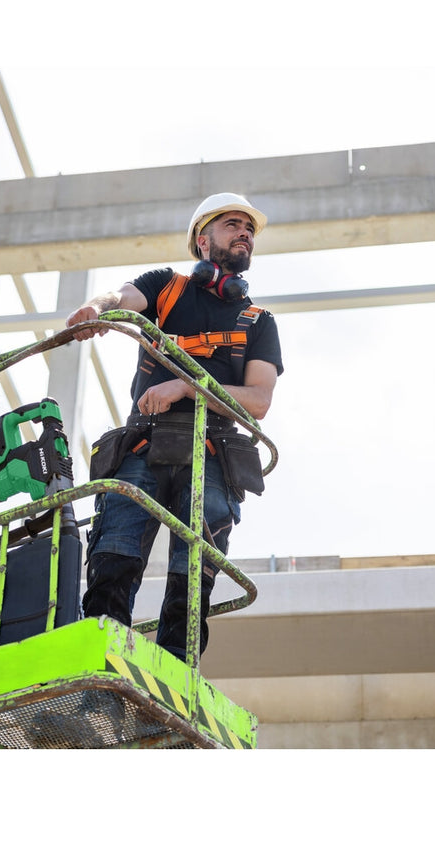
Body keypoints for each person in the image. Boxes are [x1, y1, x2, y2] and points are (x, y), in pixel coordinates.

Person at [66, 192, 284, 662]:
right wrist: (96, 308)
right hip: (143, 446)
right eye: (232, 225)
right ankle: (100, 672)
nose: (245, 233)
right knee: (111, 564)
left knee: (190, 588)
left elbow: (258, 401)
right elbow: (120, 298)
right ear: (202, 240)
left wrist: (187, 386)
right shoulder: (166, 288)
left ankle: (177, 681)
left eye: (249, 228)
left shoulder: (258, 322)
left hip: (212, 454)